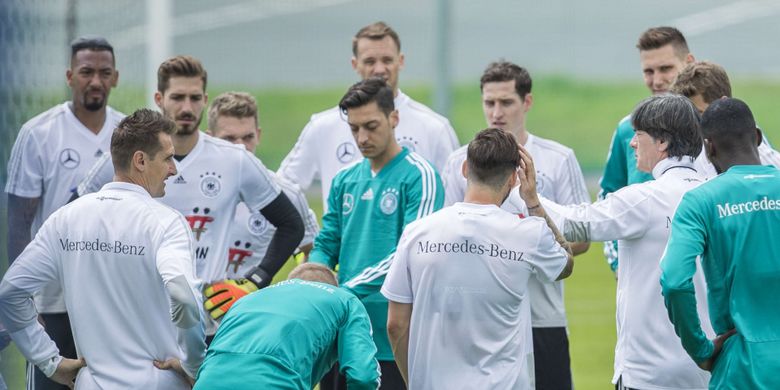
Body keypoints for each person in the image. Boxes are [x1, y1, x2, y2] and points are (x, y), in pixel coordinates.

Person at [75, 56, 304, 327]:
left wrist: (254, 280)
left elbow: (291, 225)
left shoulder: (235, 160)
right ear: (159, 98)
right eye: (178, 97)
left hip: (211, 327)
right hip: (140, 326)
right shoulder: (126, 156)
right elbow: (76, 222)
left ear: (205, 100)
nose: (187, 107)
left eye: (195, 98)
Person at [0, 109, 206, 389]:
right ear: (141, 161)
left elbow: (10, 293)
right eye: (168, 157)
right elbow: (183, 295)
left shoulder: (67, 218)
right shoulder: (165, 222)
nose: (174, 169)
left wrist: (49, 361)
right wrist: (193, 365)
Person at [527, 95, 715, 389]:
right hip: (708, 368)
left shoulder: (644, 198)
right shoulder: (717, 196)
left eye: (639, 134)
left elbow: (573, 225)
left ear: (663, 142)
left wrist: (526, 193)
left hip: (648, 372)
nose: (632, 143)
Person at [382, 128, 573, 389]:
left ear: (464, 169)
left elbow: (396, 324)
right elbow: (565, 263)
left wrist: (414, 381)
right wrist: (532, 201)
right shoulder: (529, 233)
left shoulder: (417, 233)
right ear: (514, 180)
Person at [441, 60, 588, 389]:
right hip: (477, 318)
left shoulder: (558, 158)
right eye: (489, 102)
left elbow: (581, 237)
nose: (496, 112)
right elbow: (446, 233)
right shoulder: (459, 163)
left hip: (542, 318)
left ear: (527, 102)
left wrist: (528, 241)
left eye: (506, 102)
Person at [4, 35, 125, 390]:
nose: (96, 81)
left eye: (105, 73)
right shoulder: (38, 133)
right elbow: (18, 224)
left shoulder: (128, 133)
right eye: (86, 72)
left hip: (109, 296)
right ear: (70, 76)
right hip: (54, 296)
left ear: (115, 77)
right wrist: (26, 297)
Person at [309, 78, 444, 389]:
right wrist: (310, 280)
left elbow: (410, 255)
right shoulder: (345, 179)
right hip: (341, 334)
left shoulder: (420, 176)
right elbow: (328, 240)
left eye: (370, 125)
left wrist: (343, 291)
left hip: (393, 337)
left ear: (393, 118)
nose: (362, 137)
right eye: (354, 128)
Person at [661, 98, 780, 389]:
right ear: (757, 137)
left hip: (743, 367)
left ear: (708, 147)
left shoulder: (700, 201)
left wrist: (700, 349)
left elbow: (675, 280)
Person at [279, 21, 458, 208]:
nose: (379, 69)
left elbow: (454, 200)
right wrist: (307, 233)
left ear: (401, 61)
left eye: (387, 60)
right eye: (370, 61)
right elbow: (283, 188)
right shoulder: (323, 127)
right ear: (355, 64)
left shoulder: (434, 128)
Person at [193, 263, 380, 390]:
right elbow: (363, 376)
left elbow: (221, 360)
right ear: (333, 287)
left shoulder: (246, 300)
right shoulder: (344, 299)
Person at [599, 27, 694, 273]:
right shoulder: (626, 131)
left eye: (666, 69)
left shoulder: (720, 125)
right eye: (648, 71)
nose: (657, 80)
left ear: (688, 63)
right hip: (642, 279)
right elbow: (608, 196)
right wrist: (618, 263)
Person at [204, 91, 319, 287]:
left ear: (258, 135)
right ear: (209, 139)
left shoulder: (286, 195)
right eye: (229, 139)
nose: (241, 148)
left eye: (248, 137)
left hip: (251, 312)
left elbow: (313, 253)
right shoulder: (190, 187)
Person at [669, 61, 780, 177]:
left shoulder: (762, 156)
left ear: (724, 104)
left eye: (699, 114)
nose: (691, 124)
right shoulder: (685, 154)